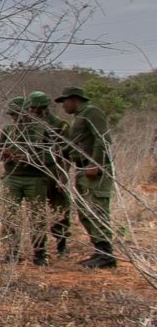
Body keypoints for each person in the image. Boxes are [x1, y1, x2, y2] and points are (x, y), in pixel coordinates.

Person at [0, 91, 65, 264]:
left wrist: (30, 159)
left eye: (18, 114)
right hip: (12, 177)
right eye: (13, 115)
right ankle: (12, 252)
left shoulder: (42, 130)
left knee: (37, 216)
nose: (16, 119)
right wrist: (5, 153)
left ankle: (39, 253)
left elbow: (52, 156)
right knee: (10, 216)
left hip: (36, 178)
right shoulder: (9, 131)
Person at [55, 85, 117, 269]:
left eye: (64, 101)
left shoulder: (92, 112)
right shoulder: (78, 118)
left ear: (75, 99)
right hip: (82, 169)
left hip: (94, 171)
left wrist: (95, 164)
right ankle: (100, 251)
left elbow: (103, 139)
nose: (63, 106)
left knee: (97, 211)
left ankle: (106, 255)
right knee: (85, 213)